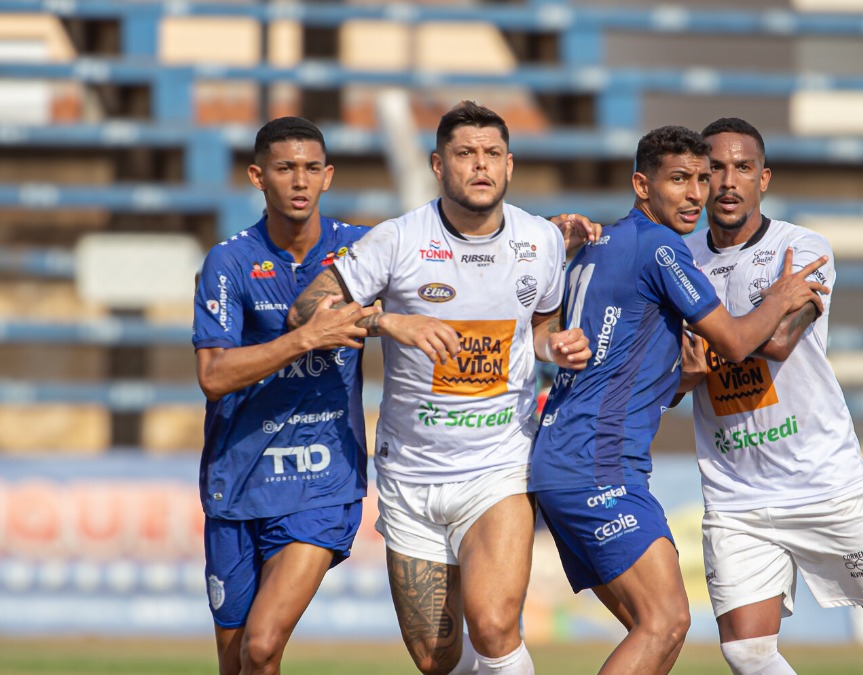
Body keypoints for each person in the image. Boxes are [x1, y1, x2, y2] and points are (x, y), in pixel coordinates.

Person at [288, 101, 591, 675]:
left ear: (509, 165)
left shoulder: (540, 240)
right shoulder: (397, 241)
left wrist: (556, 347)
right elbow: (305, 312)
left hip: (499, 467)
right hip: (411, 477)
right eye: (465, 154)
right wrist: (387, 321)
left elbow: (539, 329)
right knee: (436, 658)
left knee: (496, 624)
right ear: (436, 164)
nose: (480, 166)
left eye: (492, 154)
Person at [674, 117, 863, 675]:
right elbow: (670, 382)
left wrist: (712, 349)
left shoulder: (801, 247)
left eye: (742, 168)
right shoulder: (680, 262)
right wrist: (686, 373)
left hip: (822, 480)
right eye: (713, 168)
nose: (727, 181)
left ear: (763, 178)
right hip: (735, 493)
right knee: (746, 650)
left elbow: (783, 341)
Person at [529, 125, 828, 675]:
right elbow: (737, 342)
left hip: (566, 457)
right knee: (664, 622)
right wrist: (782, 295)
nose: (696, 194)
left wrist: (683, 381)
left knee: (655, 630)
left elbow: (614, 366)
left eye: (701, 179)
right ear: (642, 185)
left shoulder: (604, 245)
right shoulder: (659, 246)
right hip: (599, 464)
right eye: (679, 181)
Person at [192, 116, 380, 675]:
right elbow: (214, 375)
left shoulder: (360, 252)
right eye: (285, 168)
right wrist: (305, 339)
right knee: (237, 659)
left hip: (322, 480)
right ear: (258, 176)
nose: (299, 180)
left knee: (263, 642)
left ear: (328, 177)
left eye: (311, 168)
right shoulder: (228, 262)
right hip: (238, 479)